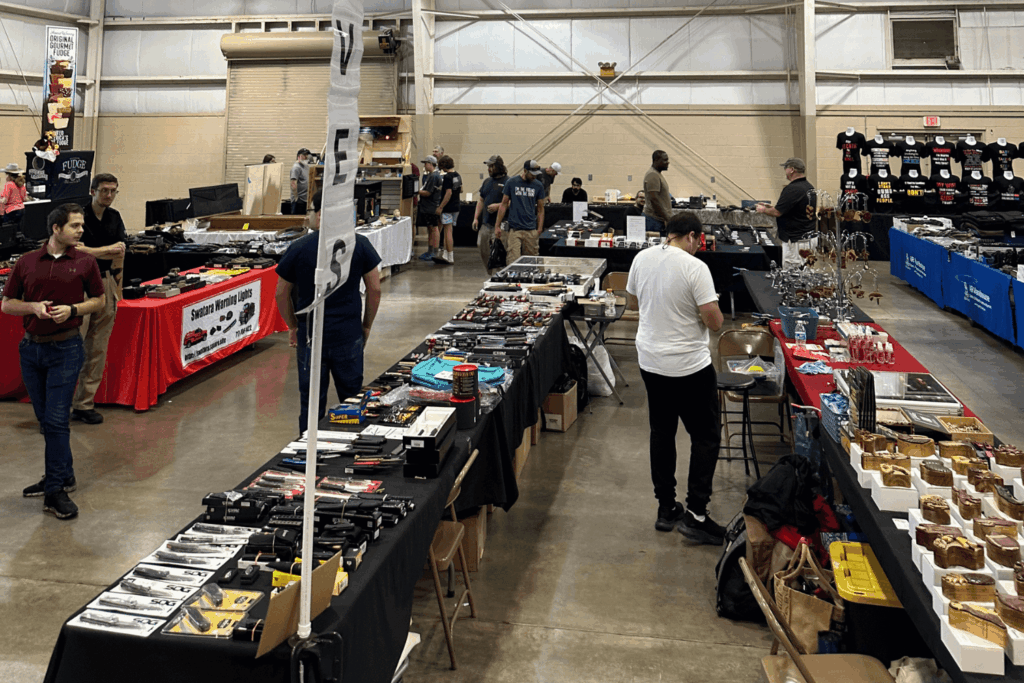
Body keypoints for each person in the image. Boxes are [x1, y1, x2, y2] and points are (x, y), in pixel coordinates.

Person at [626, 211, 726, 543]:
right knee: (706, 436)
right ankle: (696, 514)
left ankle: (666, 507)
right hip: (688, 366)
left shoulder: (642, 258)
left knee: (662, 432)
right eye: (699, 241)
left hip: (651, 361)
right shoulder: (695, 268)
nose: (699, 247)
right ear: (692, 236)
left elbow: (632, 302)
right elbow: (714, 321)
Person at [2, 204, 106, 520]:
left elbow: (99, 301)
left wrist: (73, 310)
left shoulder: (85, 262)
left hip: (66, 349)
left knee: (57, 420)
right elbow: (7, 304)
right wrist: (32, 307)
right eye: (75, 225)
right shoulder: (27, 262)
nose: (81, 230)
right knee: (46, 421)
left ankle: (54, 491)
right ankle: (64, 474)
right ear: (56, 229)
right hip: (31, 350)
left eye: (81, 225)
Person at [275, 191, 382, 433]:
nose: (309, 217)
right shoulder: (360, 244)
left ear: (321, 214)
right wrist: (366, 325)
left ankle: (308, 448)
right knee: (353, 399)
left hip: (310, 335)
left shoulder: (299, 247)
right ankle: (355, 444)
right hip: (348, 333)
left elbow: (281, 293)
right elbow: (375, 289)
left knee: (311, 403)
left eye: (310, 211)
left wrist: (293, 326)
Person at [71, 173, 127, 425]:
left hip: (105, 283)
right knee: (72, 346)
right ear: (93, 191)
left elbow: (120, 252)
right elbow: (75, 252)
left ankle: (84, 405)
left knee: (97, 348)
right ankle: (57, 407)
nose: (109, 195)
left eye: (113, 191)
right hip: (77, 285)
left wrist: (92, 252)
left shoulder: (115, 217)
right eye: (104, 190)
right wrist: (106, 251)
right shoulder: (77, 216)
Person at [755, 158, 816, 269]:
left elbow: (777, 213)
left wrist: (763, 209)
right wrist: (773, 208)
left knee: (792, 273)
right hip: (807, 238)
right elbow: (795, 210)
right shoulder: (809, 187)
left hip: (796, 241)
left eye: (786, 168)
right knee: (805, 271)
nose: (785, 171)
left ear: (792, 170)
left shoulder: (792, 189)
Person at [495, 160, 546, 263]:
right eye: (532, 174)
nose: (534, 176)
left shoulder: (538, 185)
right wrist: (497, 226)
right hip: (515, 230)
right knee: (513, 261)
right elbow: (503, 204)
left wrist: (539, 229)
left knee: (531, 262)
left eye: (536, 174)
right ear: (525, 171)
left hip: (531, 230)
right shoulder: (512, 182)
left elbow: (540, 209)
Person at [472, 155, 509, 275]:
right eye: (488, 166)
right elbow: (481, 200)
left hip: (501, 224)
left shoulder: (508, 182)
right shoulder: (487, 182)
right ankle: (491, 272)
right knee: (482, 247)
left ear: (498, 166)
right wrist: (475, 218)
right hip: (486, 223)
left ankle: (498, 275)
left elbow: (512, 202)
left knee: (498, 250)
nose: (489, 169)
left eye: (491, 166)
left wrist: (498, 206)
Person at [434, 155, 462, 265]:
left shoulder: (447, 177)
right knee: (449, 231)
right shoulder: (458, 175)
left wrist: (440, 207)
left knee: (448, 232)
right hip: (456, 206)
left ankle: (450, 257)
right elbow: (461, 189)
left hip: (448, 208)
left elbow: (448, 193)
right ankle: (445, 254)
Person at [417, 155, 443, 261]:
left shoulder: (434, 176)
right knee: (430, 229)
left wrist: (416, 192)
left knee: (434, 228)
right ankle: (430, 250)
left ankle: (434, 252)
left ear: (430, 164)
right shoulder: (431, 175)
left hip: (431, 206)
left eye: (425, 163)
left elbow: (428, 192)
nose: (424, 165)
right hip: (428, 207)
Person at [643, 150, 673, 234]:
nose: (668, 162)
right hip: (653, 221)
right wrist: (667, 218)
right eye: (665, 160)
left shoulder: (657, 174)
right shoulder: (652, 175)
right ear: (656, 160)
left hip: (657, 220)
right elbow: (654, 199)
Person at [290, 148, 311, 215]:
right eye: (304, 155)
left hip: (305, 199)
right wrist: (296, 199)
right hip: (299, 200)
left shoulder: (306, 166)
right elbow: (293, 183)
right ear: (299, 156)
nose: (306, 157)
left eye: (307, 155)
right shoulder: (296, 167)